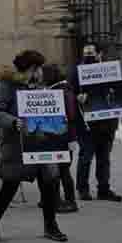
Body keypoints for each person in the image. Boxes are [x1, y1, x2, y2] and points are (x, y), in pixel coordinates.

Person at [0, 50, 68, 243]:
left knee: (49, 186)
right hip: (17, 146)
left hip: (41, 145)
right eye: (38, 69)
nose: (40, 73)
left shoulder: (38, 86)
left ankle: (51, 226)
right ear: (31, 69)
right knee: (9, 188)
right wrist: (14, 122)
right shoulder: (8, 85)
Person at [70, 42, 122, 203]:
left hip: (107, 122)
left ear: (100, 54)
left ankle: (103, 189)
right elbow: (68, 91)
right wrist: (76, 97)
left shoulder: (111, 71)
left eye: (91, 53)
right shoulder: (76, 71)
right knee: (86, 156)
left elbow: (120, 94)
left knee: (104, 157)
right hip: (86, 123)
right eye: (85, 54)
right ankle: (82, 189)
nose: (88, 57)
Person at [42, 63, 79, 214]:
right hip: (63, 135)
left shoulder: (62, 91)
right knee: (60, 169)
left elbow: (69, 114)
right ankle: (57, 199)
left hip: (63, 136)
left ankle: (69, 201)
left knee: (62, 170)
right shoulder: (61, 89)